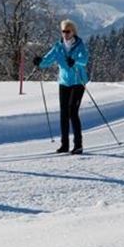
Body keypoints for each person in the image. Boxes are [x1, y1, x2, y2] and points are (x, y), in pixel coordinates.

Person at [33, 19, 89, 155]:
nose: (65, 34)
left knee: (72, 112)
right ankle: (64, 145)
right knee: (64, 114)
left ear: (73, 31)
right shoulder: (58, 47)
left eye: (68, 31)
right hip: (64, 82)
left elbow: (85, 60)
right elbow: (48, 59)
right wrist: (40, 62)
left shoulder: (80, 45)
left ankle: (78, 145)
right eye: (63, 31)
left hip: (78, 82)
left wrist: (75, 61)